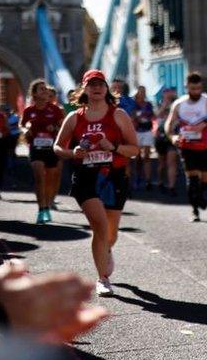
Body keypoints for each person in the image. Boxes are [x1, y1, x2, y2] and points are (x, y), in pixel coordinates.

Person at [54, 69, 139, 296]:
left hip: (114, 177)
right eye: (92, 84)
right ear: (84, 89)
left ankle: (106, 249)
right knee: (99, 227)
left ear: (107, 88)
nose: (97, 88)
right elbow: (57, 147)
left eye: (101, 84)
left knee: (110, 233)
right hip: (86, 178)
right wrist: (73, 152)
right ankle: (102, 278)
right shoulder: (74, 117)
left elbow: (134, 149)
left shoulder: (119, 115)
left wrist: (115, 148)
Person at [164, 72, 207, 221]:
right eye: (192, 89)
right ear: (186, 87)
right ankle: (195, 210)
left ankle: (199, 197)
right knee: (193, 179)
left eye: (198, 88)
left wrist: (206, 123)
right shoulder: (179, 104)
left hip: (206, 147)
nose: (196, 92)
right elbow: (168, 125)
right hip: (187, 147)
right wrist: (173, 137)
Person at [20, 79, 65, 223]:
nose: (45, 91)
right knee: (39, 177)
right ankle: (42, 210)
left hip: (51, 148)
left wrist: (56, 129)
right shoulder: (29, 111)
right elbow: (22, 125)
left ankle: (49, 203)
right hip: (36, 148)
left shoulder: (55, 110)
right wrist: (26, 129)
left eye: (45, 89)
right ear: (34, 93)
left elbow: (63, 129)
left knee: (51, 179)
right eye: (41, 89)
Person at [154, 87, 179, 195]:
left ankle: (171, 187)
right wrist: (164, 105)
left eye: (171, 92)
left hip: (172, 135)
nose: (169, 94)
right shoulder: (159, 104)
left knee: (171, 161)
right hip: (160, 136)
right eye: (167, 92)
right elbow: (156, 115)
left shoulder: (177, 104)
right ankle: (160, 181)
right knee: (161, 163)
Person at [130, 85, 156, 190]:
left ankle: (148, 180)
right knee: (137, 157)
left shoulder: (148, 104)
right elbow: (131, 117)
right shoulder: (133, 104)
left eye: (144, 92)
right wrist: (137, 117)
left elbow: (152, 116)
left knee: (146, 156)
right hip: (137, 131)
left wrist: (148, 116)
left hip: (147, 131)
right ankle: (138, 176)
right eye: (140, 91)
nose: (142, 93)